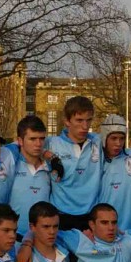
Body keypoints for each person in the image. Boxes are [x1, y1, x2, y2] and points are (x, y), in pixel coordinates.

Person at [45, 96, 101, 231]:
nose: (85, 126)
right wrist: (47, 155)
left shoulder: (99, 141)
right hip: (61, 215)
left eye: (88, 120)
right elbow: (23, 144)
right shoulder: (52, 143)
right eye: (79, 120)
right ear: (67, 121)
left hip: (90, 216)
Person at [7, 115, 55, 237]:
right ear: (20, 141)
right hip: (15, 236)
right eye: (32, 139)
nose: (38, 144)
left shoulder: (49, 167)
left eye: (41, 139)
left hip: (42, 238)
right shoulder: (10, 165)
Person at [97, 114, 131, 231]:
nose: (118, 143)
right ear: (105, 137)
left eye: (122, 138)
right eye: (114, 138)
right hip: (102, 232)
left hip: (129, 231)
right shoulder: (95, 161)